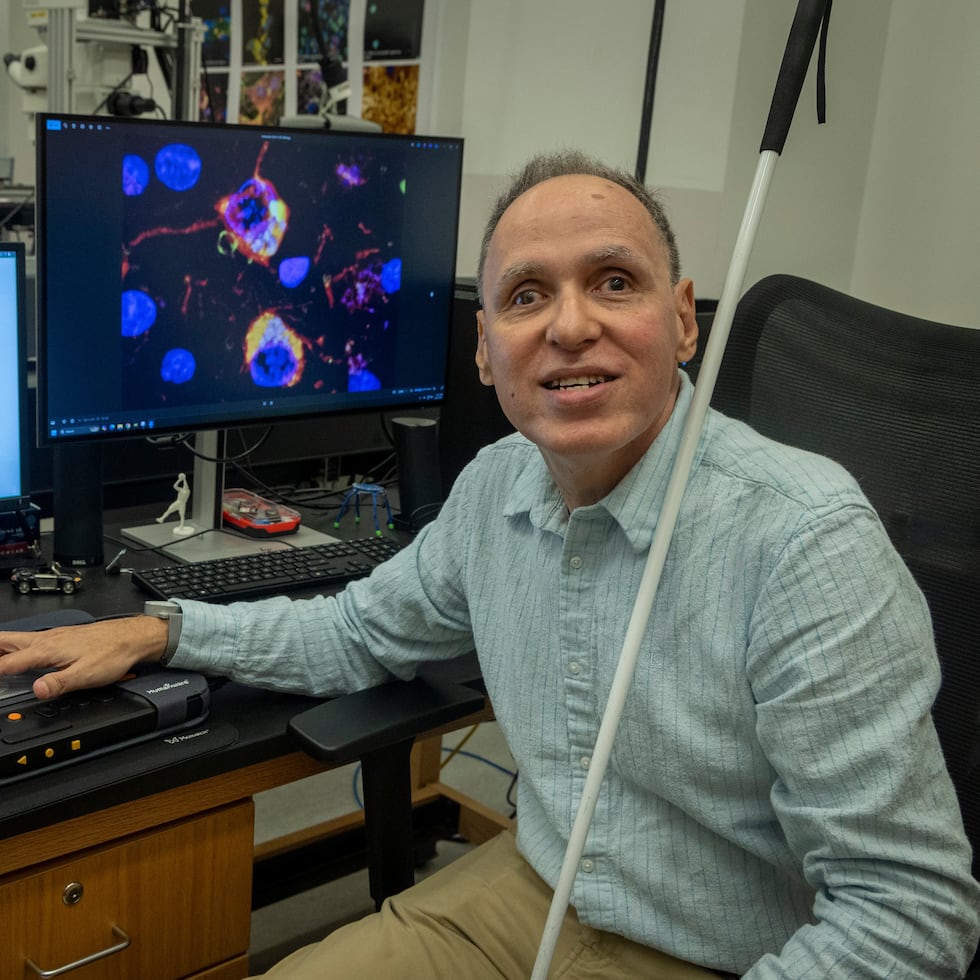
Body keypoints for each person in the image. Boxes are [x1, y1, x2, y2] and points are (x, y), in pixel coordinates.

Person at [1, 152, 977, 978]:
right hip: (533, 892)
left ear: (684, 320)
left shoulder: (803, 539)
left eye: (613, 281)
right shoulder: (497, 485)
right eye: (525, 295)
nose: (568, 326)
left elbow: (907, 912)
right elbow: (356, 631)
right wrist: (162, 631)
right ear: (483, 349)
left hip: (727, 952)